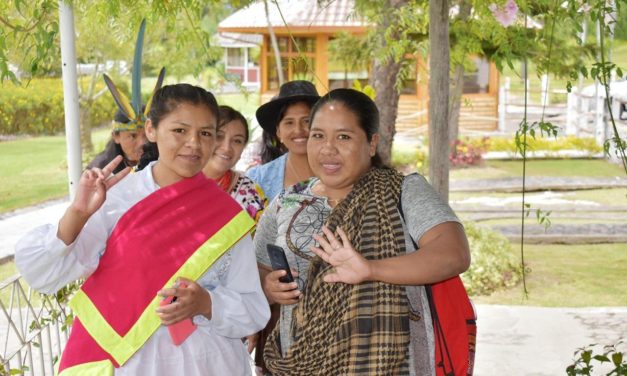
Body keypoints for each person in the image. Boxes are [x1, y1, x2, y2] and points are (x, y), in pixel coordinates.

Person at [15, 84, 270, 375]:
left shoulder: (226, 214)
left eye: (205, 133)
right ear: (151, 130)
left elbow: (253, 309)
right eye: (179, 131)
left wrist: (205, 303)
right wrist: (77, 214)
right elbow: (43, 275)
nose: (193, 144)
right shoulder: (117, 199)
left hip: (207, 362)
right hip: (131, 362)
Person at [254, 88, 472, 375]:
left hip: (391, 363)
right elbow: (257, 271)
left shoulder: (402, 191)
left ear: (371, 143)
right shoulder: (287, 203)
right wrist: (270, 288)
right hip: (300, 360)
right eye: (318, 135)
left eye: (343, 137)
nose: (328, 149)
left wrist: (370, 268)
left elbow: (453, 254)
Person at [246, 80, 320, 200]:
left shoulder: (340, 172)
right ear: (278, 132)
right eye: (289, 122)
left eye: (307, 121)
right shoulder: (257, 179)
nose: (298, 130)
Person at [203, 105, 267, 223]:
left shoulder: (250, 192)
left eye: (237, 141)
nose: (226, 148)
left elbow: (263, 237)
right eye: (219, 136)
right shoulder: (172, 180)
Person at [87, 109, 147, 174]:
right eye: (133, 136)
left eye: (147, 134)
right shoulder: (100, 169)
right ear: (116, 136)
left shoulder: (158, 161)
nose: (142, 142)